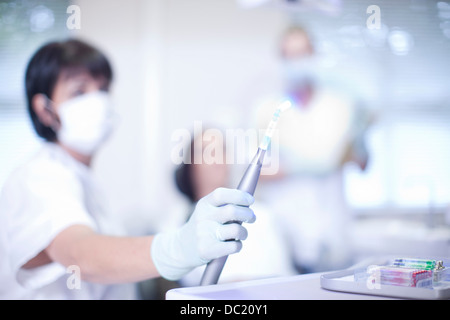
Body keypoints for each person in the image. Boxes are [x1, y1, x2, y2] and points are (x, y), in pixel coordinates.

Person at [0, 39, 255, 299]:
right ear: (44, 110)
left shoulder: (85, 182)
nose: (97, 101)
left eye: (102, 89)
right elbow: (81, 255)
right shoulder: (38, 176)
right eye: (79, 91)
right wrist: (176, 248)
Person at [254, 26, 371, 273]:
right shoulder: (267, 110)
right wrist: (311, 165)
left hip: (334, 230)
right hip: (287, 229)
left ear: (314, 55)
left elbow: (362, 163)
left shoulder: (340, 105)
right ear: (281, 60)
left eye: (303, 53)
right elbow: (255, 171)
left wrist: (361, 137)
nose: (298, 62)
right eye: (290, 55)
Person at [174, 131, 296, 286]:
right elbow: (191, 278)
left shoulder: (263, 215)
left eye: (221, 150)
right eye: (207, 152)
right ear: (190, 167)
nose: (216, 158)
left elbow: (287, 274)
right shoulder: (178, 221)